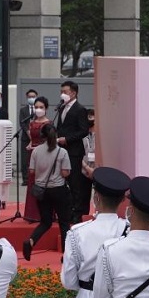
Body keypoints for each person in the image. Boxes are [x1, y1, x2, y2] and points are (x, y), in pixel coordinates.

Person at [61, 167, 131, 298]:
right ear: (122, 200)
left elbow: (69, 281)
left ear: (96, 198)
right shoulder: (129, 231)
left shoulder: (77, 233)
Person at [24, 124, 72, 260]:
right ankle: (66, 255)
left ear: (42, 136)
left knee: (45, 222)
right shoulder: (62, 152)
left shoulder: (36, 151)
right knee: (64, 222)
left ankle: (31, 241)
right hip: (58, 190)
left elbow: (32, 171)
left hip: (42, 191)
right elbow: (65, 173)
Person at [56, 80, 91, 223]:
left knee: (75, 182)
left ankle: (77, 212)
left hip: (74, 150)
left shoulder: (80, 109)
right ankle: (66, 210)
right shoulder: (62, 108)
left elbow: (83, 131)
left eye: (65, 92)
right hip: (61, 150)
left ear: (74, 93)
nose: (63, 94)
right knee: (64, 181)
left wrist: (68, 139)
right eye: (61, 92)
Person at [24, 96, 52, 222]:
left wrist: (38, 148)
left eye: (41, 107)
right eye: (36, 107)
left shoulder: (49, 123)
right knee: (32, 182)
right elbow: (32, 139)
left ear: (46, 108)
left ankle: (44, 214)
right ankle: (32, 214)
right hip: (32, 155)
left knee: (43, 183)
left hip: (44, 155)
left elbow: (49, 142)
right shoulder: (32, 123)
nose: (38, 109)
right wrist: (30, 145)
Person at [18, 89, 38, 186]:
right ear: (27, 97)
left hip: (38, 138)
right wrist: (29, 133)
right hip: (26, 138)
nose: (31, 98)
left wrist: (34, 135)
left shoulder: (38, 109)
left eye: (33, 96)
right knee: (25, 159)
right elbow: (22, 123)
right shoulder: (23, 110)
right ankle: (25, 179)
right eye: (30, 97)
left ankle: (35, 179)